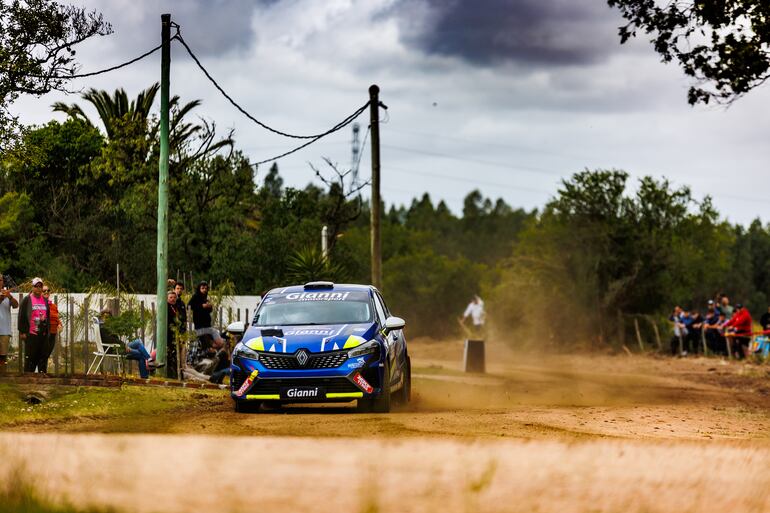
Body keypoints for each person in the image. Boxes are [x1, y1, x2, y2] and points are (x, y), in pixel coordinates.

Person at [17, 277, 50, 373]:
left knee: (43, 359)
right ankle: (28, 380)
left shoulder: (45, 300)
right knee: (30, 360)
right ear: (32, 287)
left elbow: (47, 315)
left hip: (43, 335)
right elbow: (21, 316)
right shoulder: (27, 299)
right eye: (36, 286)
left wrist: (47, 329)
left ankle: (42, 380)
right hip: (31, 334)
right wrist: (22, 331)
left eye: (40, 286)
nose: (38, 288)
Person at [40, 286, 62, 373]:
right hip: (44, 333)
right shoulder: (40, 305)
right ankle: (41, 373)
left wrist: (60, 324)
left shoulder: (53, 306)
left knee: (47, 354)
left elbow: (57, 318)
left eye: (48, 291)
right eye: (44, 291)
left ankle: (42, 373)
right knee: (43, 354)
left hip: (53, 333)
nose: (46, 292)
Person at [0, 274, 19, 371]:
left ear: (3, 282)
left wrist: (10, 297)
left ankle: (2, 377)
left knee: (3, 357)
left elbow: (16, 305)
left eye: (0, 280)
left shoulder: (6, 293)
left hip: (4, 331)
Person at [166, 289, 180, 379]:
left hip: (174, 334)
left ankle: (174, 374)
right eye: (170, 297)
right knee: (168, 354)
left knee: (174, 355)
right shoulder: (166, 306)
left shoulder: (175, 307)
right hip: (167, 334)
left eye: (174, 297)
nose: (173, 299)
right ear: (167, 299)